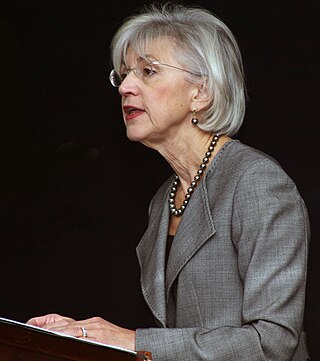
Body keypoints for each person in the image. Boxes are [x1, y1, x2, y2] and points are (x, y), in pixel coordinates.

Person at [27, 3, 310, 360]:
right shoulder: (165, 198)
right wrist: (79, 337)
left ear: (201, 92)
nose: (126, 87)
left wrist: (131, 340)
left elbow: (272, 342)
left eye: (147, 71)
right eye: (124, 74)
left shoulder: (257, 183)